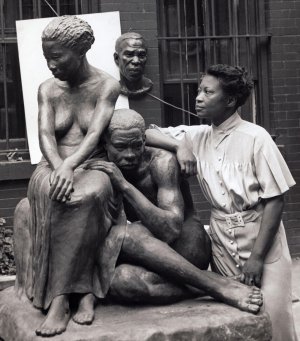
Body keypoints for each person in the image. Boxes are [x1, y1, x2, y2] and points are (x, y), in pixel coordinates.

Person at [146, 64, 298, 341]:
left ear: (229, 100)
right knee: (236, 323)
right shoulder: (197, 136)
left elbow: (275, 201)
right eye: (199, 90)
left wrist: (257, 259)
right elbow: (146, 133)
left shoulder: (256, 137)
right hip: (221, 240)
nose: (198, 97)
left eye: (207, 91)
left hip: (260, 236)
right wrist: (179, 146)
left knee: (276, 324)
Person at [86, 109, 263, 313]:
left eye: (136, 146)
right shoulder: (101, 162)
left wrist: (125, 186)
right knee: (120, 282)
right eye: (120, 147)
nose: (130, 154)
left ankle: (218, 287)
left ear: (144, 142)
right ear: (104, 144)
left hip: (188, 245)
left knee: (125, 235)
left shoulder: (161, 162)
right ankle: (209, 284)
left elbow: (170, 229)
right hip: (150, 246)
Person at [13, 15, 123, 337]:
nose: (50, 64)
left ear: (80, 51)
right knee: (57, 193)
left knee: (86, 196)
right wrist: (60, 164)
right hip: (51, 163)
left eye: (57, 56)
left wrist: (72, 165)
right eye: (46, 56)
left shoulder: (106, 86)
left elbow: (94, 136)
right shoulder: (47, 89)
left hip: (93, 164)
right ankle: (70, 298)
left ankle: (75, 295)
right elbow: (45, 134)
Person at [114, 32, 153, 98]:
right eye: (129, 54)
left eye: (141, 55)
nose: (136, 61)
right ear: (117, 58)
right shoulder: (112, 88)